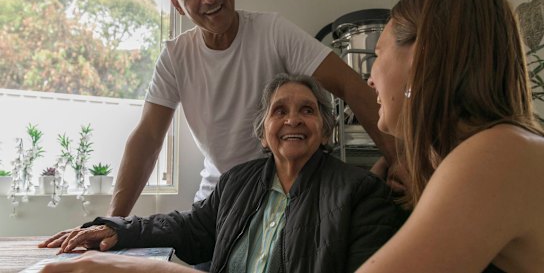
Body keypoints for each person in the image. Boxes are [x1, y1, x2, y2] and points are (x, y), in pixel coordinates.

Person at [105, 0, 396, 219]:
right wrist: (111, 223)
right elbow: (148, 139)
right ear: (177, 5)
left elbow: (351, 87)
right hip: (217, 205)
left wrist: (401, 162)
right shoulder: (175, 57)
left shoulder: (272, 31)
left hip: (281, 201)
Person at [40, 74, 406, 273]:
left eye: (307, 110)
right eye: (279, 111)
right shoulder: (237, 181)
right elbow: (190, 227)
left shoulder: (361, 193)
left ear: (326, 130)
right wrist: (117, 229)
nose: (292, 119)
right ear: (263, 133)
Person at [355, 0, 544, 272]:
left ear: (421, 55)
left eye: (377, 54)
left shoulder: (498, 154)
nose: (369, 78)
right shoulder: (505, 147)